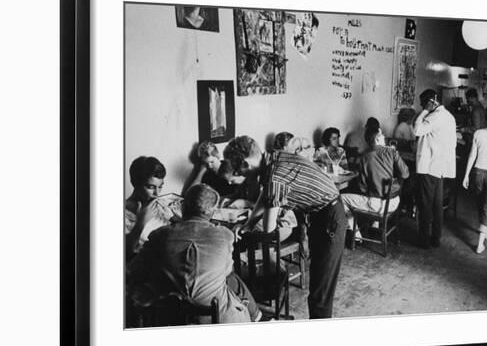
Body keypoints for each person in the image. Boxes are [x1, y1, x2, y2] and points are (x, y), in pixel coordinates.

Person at [224, 136, 346, 319]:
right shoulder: (274, 158)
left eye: (237, 170)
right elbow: (265, 198)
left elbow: (268, 228)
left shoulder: (275, 176)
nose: (240, 175)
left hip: (330, 218)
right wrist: (247, 224)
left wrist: (247, 231)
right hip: (321, 215)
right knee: (317, 287)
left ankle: (322, 340)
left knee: (321, 292)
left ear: (244, 163)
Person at [128, 184, 262, 324]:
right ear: (212, 212)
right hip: (215, 312)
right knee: (231, 278)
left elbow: (134, 269)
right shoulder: (225, 235)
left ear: (183, 206)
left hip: (170, 312)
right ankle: (257, 317)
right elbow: (228, 271)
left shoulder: (160, 234)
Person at [341, 121, 409, 236]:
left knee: (341, 198)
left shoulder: (365, 157)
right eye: (382, 135)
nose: (384, 137)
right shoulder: (392, 152)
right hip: (394, 202)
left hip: (379, 206)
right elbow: (405, 174)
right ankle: (374, 226)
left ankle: (356, 235)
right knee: (373, 194)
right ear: (377, 139)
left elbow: (362, 188)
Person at [413, 89, 457, 248]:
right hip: (440, 166)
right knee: (437, 204)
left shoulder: (433, 116)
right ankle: (436, 237)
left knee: (425, 204)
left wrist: (424, 110)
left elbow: (416, 130)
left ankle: (424, 240)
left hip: (429, 166)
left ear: (430, 102)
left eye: (422, 103)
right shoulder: (449, 117)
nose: (421, 106)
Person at [462, 100, 487, 254]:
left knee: (480, 204)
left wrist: (465, 175)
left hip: (478, 173)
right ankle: (480, 244)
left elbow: (472, 156)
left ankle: (486, 228)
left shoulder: (478, 133)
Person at [125, 156, 178, 258]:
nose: (157, 193)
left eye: (160, 186)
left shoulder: (163, 205)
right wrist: (141, 223)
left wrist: (175, 219)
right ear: (135, 183)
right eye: (150, 187)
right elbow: (125, 255)